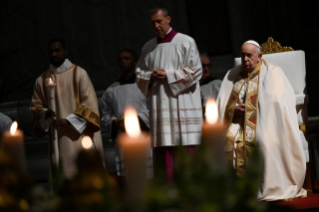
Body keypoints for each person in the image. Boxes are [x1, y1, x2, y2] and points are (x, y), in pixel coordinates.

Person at [216, 40, 306, 201]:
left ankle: (266, 188)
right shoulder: (232, 74)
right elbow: (220, 104)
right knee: (226, 143)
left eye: (249, 56)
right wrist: (232, 110)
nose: (245, 59)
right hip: (236, 124)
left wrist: (255, 109)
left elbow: (279, 102)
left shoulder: (273, 72)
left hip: (267, 124)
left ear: (259, 56)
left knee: (262, 142)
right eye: (243, 55)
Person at [135, 7, 202, 182]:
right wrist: (150, 75)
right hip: (160, 104)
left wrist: (170, 75)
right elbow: (138, 73)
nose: (156, 25)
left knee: (186, 147)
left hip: (183, 103)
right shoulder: (148, 47)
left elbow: (196, 71)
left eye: (159, 21)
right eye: (153, 23)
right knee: (164, 150)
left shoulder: (186, 41)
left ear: (169, 19)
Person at [30, 39, 104, 178]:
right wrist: (45, 114)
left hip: (80, 138)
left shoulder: (79, 74)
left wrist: (68, 121)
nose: (54, 54)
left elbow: (90, 105)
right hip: (57, 140)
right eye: (51, 51)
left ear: (65, 51)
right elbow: (36, 107)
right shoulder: (41, 80)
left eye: (57, 50)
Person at [101, 49, 150, 176]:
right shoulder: (112, 89)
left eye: (126, 58)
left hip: (145, 137)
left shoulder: (146, 85)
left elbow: (155, 109)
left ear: (135, 62)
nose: (123, 61)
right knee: (128, 177)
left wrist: (139, 120)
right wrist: (115, 122)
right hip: (123, 139)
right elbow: (105, 113)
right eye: (120, 59)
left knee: (147, 172)